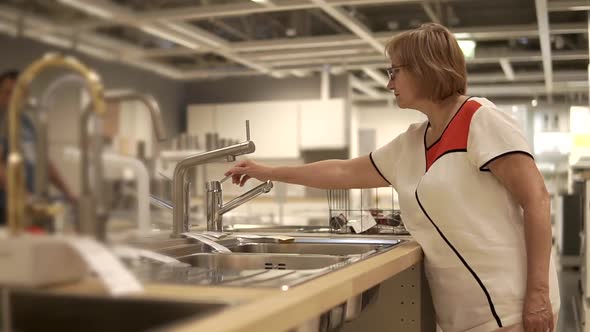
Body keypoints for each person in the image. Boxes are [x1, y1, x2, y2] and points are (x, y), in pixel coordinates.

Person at [225, 23, 559, 332]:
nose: (388, 83)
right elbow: (342, 170)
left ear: (425, 69)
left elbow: (537, 200)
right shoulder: (412, 142)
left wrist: (539, 294)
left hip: (512, 307)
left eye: (394, 72)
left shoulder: (480, 119)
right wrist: (266, 172)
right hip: (463, 313)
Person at [0, 70, 77, 225]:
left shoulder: (26, 123)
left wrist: (69, 194)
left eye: (21, 95)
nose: (14, 99)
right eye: (8, 93)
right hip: (7, 209)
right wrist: (23, 196)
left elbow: (45, 163)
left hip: (31, 205)